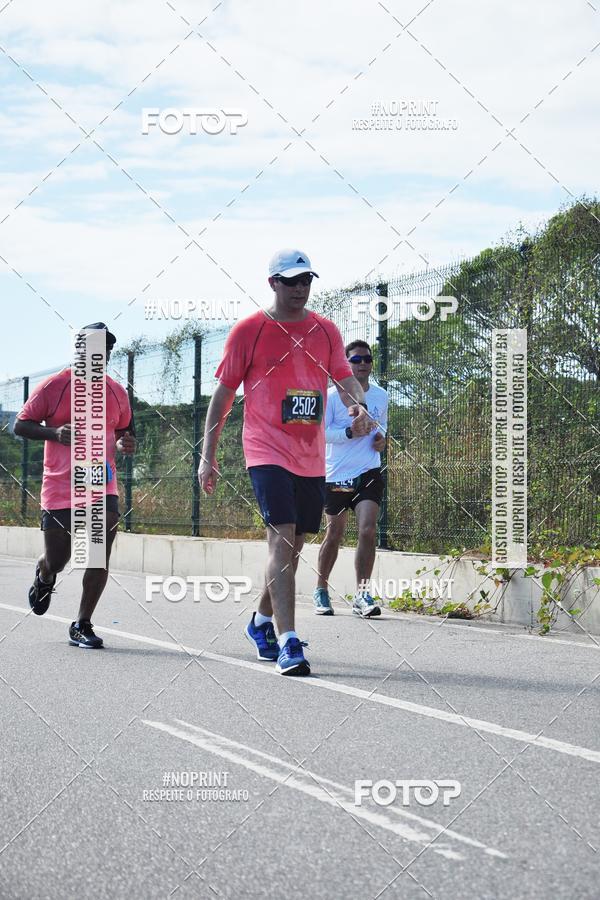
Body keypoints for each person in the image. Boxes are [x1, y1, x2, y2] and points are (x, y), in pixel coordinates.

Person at [198, 249, 371, 676]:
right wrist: (208, 454)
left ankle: (259, 622)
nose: (299, 288)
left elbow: (344, 380)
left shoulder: (326, 330)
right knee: (282, 538)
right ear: (272, 283)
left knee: (293, 548)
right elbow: (222, 395)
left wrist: (358, 406)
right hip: (265, 449)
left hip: (310, 456)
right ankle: (289, 641)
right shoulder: (249, 331)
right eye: (291, 281)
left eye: (306, 280)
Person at [14, 323, 136, 648]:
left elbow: (126, 432)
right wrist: (54, 434)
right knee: (58, 560)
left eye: (105, 352)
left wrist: (126, 444)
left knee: (97, 555)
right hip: (59, 488)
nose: (100, 357)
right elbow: (20, 424)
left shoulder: (116, 393)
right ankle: (45, 575)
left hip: (101, 484)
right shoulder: (54, 387)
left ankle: (82, 623)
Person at [314, 340, 388, 617]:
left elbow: (382, 428)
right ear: (346, 364)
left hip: (368, 470)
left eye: (367, 359)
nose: (362, 364)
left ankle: (362, 594)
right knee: (334, 533)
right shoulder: (331, 397)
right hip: (337, 475)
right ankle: (321, 589)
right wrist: (348, 434)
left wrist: (382, 440)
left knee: (368, 530)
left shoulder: (381, 395)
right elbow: (320, 435)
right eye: (356, 360)